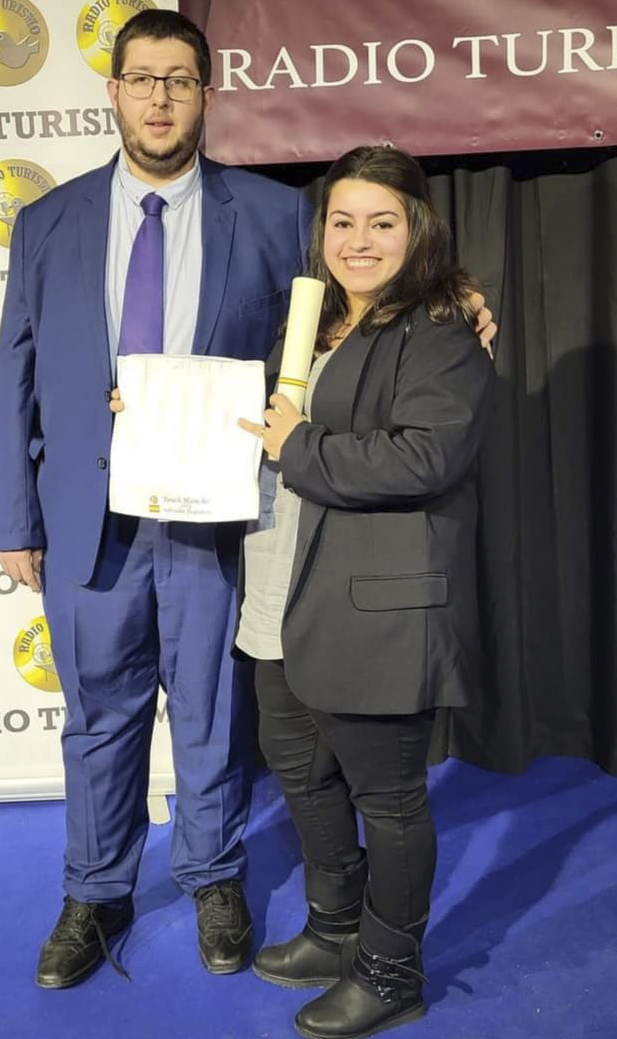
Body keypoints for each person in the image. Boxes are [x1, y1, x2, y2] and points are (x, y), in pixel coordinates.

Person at [0, 9, 313, 988]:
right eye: (142, 78)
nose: (160, 97)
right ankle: (95, 890)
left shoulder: (276, 213)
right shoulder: (49, 220)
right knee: (98, 715)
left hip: (213, 513)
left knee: (212, 710)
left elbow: (342, 323)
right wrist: (12, 516)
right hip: (91, 522)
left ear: (207, 93)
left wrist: (452, 295)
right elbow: (16, 373)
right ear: (115, 90)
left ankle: (214, 875)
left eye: (179, 79)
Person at [235, 146, 495, 1038]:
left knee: (387, 799)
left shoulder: (442, 329)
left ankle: (391, 970)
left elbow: (427, 456)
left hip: (377, 606)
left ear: (416, 226)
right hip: (282, 587)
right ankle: (336, 926)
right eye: (342, 220)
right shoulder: (309, 322)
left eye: (382, 220)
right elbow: (263, 421)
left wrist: (298, 445)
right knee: (303, 773)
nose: (358, 239)